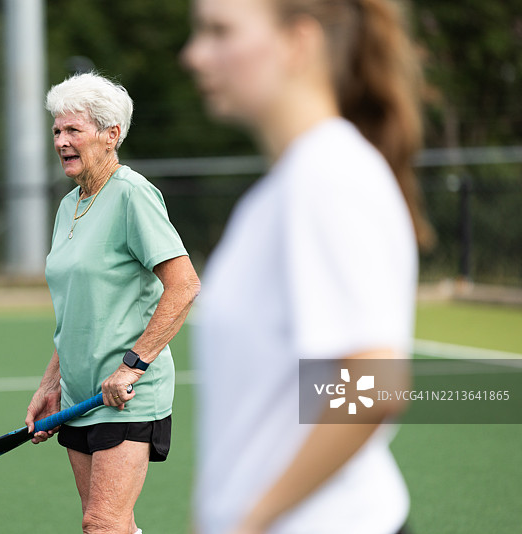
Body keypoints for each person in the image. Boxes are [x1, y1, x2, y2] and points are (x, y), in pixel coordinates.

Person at [182, 0, 433, 533]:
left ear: (300, 42)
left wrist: (253, 521)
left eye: (220, 31)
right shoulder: (285, 189)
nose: (194, 55)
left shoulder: (327, 178)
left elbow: (373, 384)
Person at [25, 72, 201, 534]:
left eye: (73, 131)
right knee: (113, 527)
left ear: (111, 135)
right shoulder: (70, 205)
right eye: (57, 131)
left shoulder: (132, 195)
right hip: (78, 395)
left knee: (101, 524)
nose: (61, 141)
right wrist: (50, 385)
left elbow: (184, 286)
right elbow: (79, 311)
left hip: (126, 396)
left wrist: (132, 366)